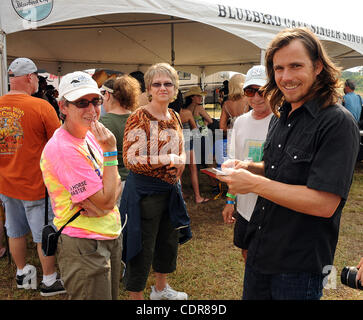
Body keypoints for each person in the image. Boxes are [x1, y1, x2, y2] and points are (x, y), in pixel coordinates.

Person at [217, 28, 360, 300]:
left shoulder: (337, 122)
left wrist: (256, 183)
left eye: (296, 66)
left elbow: (324, 203)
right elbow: (276, 170)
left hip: (298, 266)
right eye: (278, 68)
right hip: (261, 250)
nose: (285, 77)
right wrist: (247, 166)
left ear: (318, 66)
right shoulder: (281, 116)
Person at [40, 71, 123, 300]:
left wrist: (104, 202)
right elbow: (108, 197)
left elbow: (112, 194)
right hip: (85, 245)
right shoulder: (64, 149)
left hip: (107, 234)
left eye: (95, 101)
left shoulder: (89, 136)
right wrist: (110, 152)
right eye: (81, 102)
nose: (92, 109)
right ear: (63, 106)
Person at [121, 62, 191, 300]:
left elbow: (180, 150)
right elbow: (131, 159)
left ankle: (161, 289)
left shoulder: (173, 115)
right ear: (148, 89)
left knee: (167, 243)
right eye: (157, 84)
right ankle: (136, 298)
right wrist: (166, 158)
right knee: (141, 247)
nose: (163, 88)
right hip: (144, 194)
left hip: (170, 191)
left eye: (168, 84)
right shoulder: (139, 117)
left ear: (175, 89)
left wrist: (179, 159)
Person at [0, 57, 64, 296]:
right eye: (36, 77)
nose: (37, 81)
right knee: (43, 234)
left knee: (14, 231)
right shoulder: (41, 107)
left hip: (6, 184)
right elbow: (58, 144)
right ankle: (49, 280)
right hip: (35, 184)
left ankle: (22, 273)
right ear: (29, 77)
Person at [221, 65, 272, 263]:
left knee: (268, 257)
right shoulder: (240, 122)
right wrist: (229, 200)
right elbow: (233, 164)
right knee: (246, 252)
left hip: (271, 204)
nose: (256, 97)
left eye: (262, 91)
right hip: (244, 206)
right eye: (250, 91)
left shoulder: (280, 122)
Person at [99, 76, 140, 186]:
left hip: (113, 181)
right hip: (136, 181)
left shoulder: (101, 124)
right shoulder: (139, 120)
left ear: (107, 95)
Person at [179, 103, 210, 204]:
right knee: (193, 169)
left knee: (178, 171)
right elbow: (195, 129)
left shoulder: (168, 113)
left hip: (175, 142)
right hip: (188, 142)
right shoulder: (186, 113)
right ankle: (197, 197)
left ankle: (180, 194)